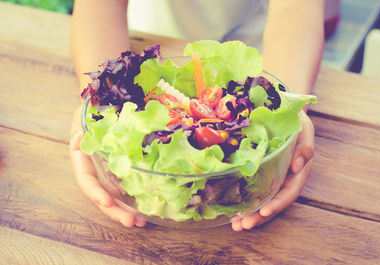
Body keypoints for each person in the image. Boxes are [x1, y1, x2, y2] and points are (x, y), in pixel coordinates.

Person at [69, 0, 324, 232]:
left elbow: (297, 7)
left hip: (261, 52)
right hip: (147, 44)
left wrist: (286, 106)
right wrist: (99, 101)